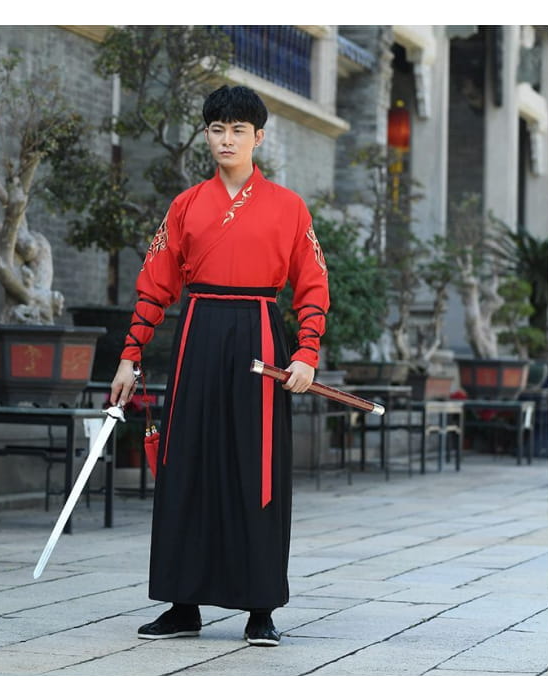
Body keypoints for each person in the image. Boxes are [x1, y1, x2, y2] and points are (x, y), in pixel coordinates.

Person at [110, 85, 329, 646]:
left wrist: (306, 353)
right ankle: (182, 605)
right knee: (186, 461)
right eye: (216, 129)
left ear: (259, 137)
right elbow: (155, 286)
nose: (226, 140)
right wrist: (130, 355)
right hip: (197, 331)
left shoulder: (289, 206)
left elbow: (312, 286)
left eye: (238, 130)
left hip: (261, 331)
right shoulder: (185, 205)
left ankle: (260, 608)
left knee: (258, 468)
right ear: (206, 135)